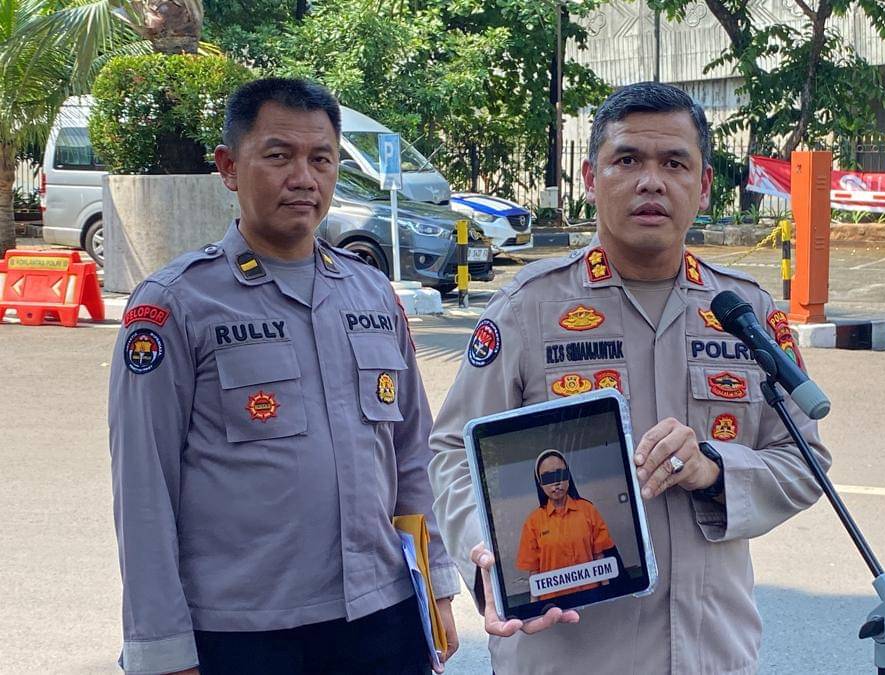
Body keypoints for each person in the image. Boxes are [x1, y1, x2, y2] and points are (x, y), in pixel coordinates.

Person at [428, 81, 832, 674]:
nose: (651, 181)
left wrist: (715, 468)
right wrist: (486, 556)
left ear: (705, 184)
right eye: (627, 161)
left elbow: (805, 462)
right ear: (591, 179)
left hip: (709, 651)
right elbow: (453, 452)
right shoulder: (527, 309)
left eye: (674, 163)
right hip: (566, 653)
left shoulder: (744, 313)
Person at [108, 78, 458, 675]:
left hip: (382, 615)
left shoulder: (371, 291)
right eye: (278, 156)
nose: (304, 177)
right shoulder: (174, 305)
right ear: (229, 167)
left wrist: (437, 587)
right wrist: (162, 649)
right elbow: (144, 488)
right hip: (243, 632)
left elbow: (410, 456)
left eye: (321, 159)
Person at [516, 450, 615, 601]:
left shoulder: (588, 510)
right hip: (553, 603)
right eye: (548, 478)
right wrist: (534, 608)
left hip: (591, 595)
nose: (556, 483)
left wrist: (608, 595)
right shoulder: (533, 523)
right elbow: (534, 574)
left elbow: (599, 558)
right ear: (540, 484)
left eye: (560, 475)